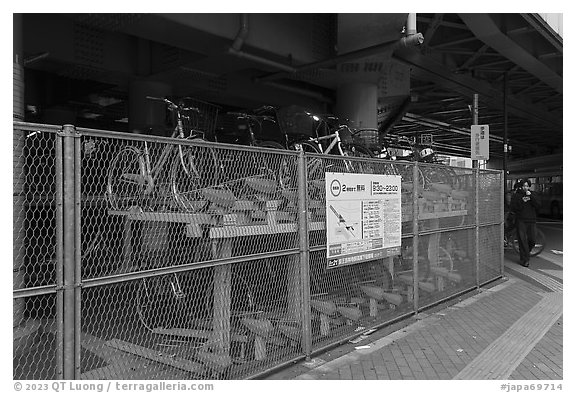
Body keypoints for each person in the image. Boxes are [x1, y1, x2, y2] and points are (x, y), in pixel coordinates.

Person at [509, 179, 541, 267]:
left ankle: (526, 252)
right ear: (521, 186)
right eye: (523, 186)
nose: (525, 188)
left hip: (531, 220)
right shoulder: (516, 196)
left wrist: (531, 197)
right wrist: (522, 201)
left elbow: (538, 205)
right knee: (522, 241)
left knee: (532, 240)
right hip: (521, 220)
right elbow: (513, 207)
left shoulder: (533, 194)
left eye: (527, 186)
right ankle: (524, 260)